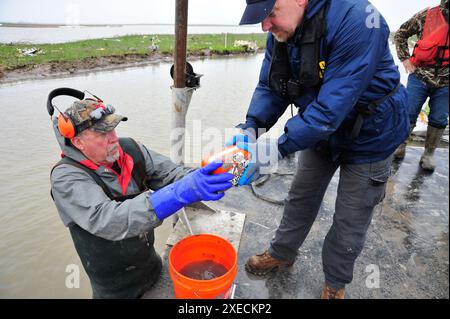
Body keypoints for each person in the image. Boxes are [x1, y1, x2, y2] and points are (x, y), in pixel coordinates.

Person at [229, 0, 409, 299]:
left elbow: (331, 109)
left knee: (350, 217)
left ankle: (335, 285)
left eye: (270, 14)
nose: (265, 26)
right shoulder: (282, 29)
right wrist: (251, 127)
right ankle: (282, 253)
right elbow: (273, 85)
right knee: (301, 195)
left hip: (372, 133)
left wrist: (277, 148)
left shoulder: (359, 21)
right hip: (320, 130)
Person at [49, 90, 234, 299]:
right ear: (78, 142)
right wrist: (177, 194)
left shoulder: (130, 149)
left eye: (113, 129)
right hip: (114, 290)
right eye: (102, 134)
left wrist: (216, 171)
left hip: (152, 268)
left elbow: (172, 174)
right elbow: (109, 220)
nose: (113, 139)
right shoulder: (66, 178)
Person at [393, 0, 449, 171]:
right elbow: (401, 34)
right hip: (419, 76)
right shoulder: (427, 15)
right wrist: (405, 59)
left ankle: (429, 154)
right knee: (408, 112)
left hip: (447, 82)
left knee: (439, 118)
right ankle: (399, 146)